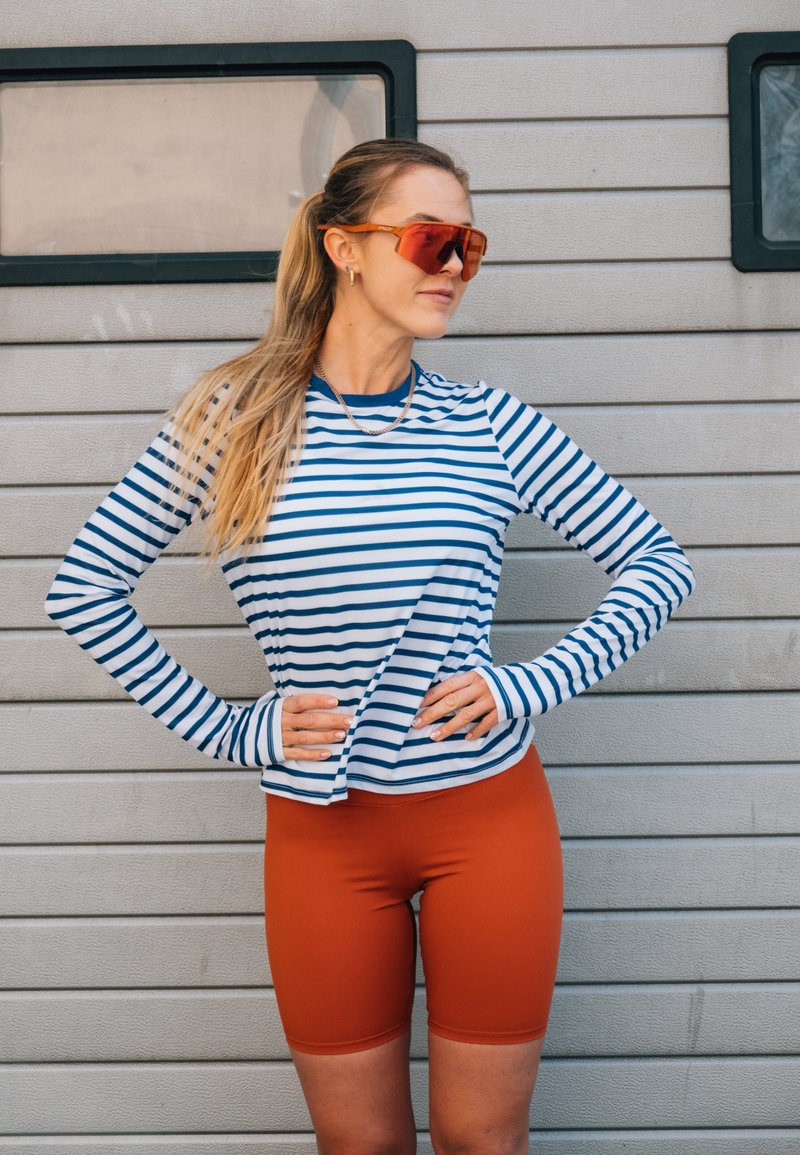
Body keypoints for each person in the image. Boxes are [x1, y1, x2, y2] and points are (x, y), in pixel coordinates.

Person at [45, 137, 696, 1154]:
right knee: (360, 1147)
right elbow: (83, 589)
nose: (452, 268)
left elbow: (657, 563)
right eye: (431, 240)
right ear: (344, 247)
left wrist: (528, 683)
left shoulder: (488, 425)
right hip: (321, 839)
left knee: (483, 1140)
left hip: (488, 822)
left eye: (467, 247)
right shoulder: (237, 418)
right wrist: (235, 728)